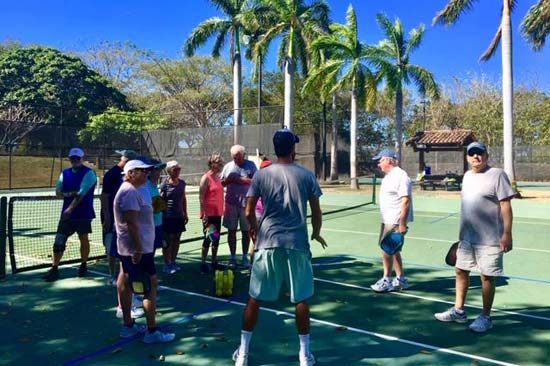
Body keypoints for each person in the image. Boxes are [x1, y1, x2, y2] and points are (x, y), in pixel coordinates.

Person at [232, 129, 327, 366]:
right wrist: (315, 233)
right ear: (292, 149)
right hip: (297, 245)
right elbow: (316, 211)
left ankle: (242, 353)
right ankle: (304, 355)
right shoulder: (306, 175)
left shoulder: (262, 175)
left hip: (268, 244)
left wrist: (257, 232)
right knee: (301, 298)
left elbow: (248, 211)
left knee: (254, 299)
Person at [435, 142, 515, 333]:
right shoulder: (468, 176)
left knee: (487, 277)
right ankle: (459, 311)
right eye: (472, 154)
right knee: (461, 271)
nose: (476, 157)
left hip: (490, 239)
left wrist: (507, 234)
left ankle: (485, 317)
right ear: (467, 157)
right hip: (467, 238)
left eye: (480, 153)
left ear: (486, 156)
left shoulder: (497, 174)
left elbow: (506, 206)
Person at [114, 159, 175, 343]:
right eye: (142, 171)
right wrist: (139, 249)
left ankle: (128, 327)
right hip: (137, 248)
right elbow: (131, 223)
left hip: (139, 246)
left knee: (126, 280)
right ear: (131, 173)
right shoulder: (129, 191)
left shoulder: (140, 189)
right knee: (150, 284)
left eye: (147, 171)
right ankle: (151, 332)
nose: (146, 173)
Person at [43, 148, 97, 282]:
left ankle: (83, 265)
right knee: (59, 241)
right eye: (73, 158)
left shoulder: (89, 174)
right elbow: (58, 192)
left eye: (77, 158)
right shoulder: (64, 173)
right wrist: (70, 195)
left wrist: (70, 209)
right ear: (70, 159)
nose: (75, 160)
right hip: (67, 216)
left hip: (83, 214)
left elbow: (81, 194)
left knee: (83, 238)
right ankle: (54, 268)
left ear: (82, 158)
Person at [370, 149, 413, 293]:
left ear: (389, 160)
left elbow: (405, 200)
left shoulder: (401, 176)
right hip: (387, 219)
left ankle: (386, 280)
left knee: (386, 250)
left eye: (380, 160)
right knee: (393, 250)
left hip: (394, 220)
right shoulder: (389, 176)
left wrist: (402, 223)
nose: (378, 164)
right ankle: (401, 278)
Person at [100, 149, 138, 286]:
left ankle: (125, 272)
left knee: (125, 245)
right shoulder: (112, 174)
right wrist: (107, 217)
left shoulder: (130, 174)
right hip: (111, 216)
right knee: (111, 246)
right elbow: (104, 196)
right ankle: (111, 275)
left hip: (124, 217)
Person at [221, 145, 257, 267]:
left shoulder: (251, 165)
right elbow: (222, 183)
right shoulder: (228, 166)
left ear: (244, 155)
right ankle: (232, 257)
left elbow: (256, 181)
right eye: (234, 158)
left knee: (245, 231)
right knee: (231, 231)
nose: (236, 160)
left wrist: (240, 179)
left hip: (246, 204)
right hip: (231, 203)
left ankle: (244, 256)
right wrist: (229, 180)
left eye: (238, 157)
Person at [160, 160, 188, 274]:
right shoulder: (164, 184)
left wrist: (185, 213)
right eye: (175, 169)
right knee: (168, 241)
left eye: (179, 169)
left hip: (179, 216)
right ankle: (167, 263)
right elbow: (161, 200)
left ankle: (173, 261)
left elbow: (183, 198)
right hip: (168, 217)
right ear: (169, 171)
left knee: (177, 239)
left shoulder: (182, 183)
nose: (178, 171)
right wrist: (163, 213)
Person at [198, 153, 224, 274]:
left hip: (217, 213)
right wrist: (205, 214)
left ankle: (213, 262)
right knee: (208, 238)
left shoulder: (218, 178)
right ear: (212, 164)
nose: (220, 165)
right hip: (209, 214)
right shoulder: (206, 178)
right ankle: (203, 263)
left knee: (216, 239)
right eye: (218, 163)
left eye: (221, 163)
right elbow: (201, 197)